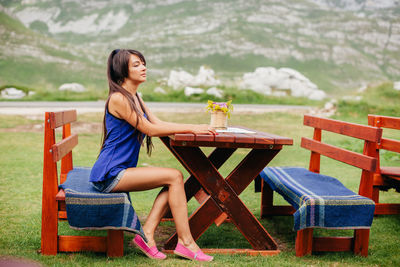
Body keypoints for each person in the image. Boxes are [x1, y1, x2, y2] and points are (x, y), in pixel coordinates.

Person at [89, 49, 215, 262]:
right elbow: (150, 129)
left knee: (174, 181)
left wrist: (194, 128)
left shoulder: (134, 96)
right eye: (136, 64)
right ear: (122, 70)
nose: (144, 67)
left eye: (143, 63)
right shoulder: (119, 98)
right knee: (174, 176)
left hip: (120, 170)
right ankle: (185, 243)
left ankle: (147, 235)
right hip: (110, 174)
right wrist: (194, 128)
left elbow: (157, 123)